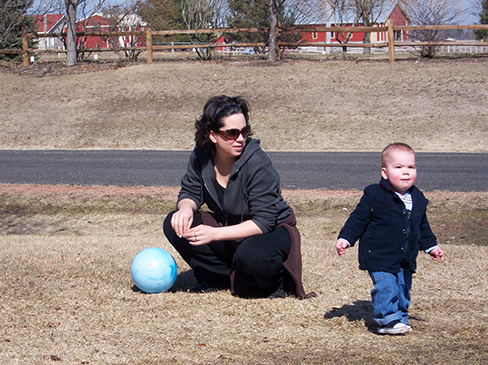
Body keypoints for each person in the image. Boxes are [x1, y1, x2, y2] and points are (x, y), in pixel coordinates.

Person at [163, 95, 314, 299]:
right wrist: (185, 209)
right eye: (232, 133)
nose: (241, 138)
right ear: (213, 135)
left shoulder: (258, 163)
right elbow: (190, 192)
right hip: (230, 226)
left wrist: (214, 234)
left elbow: (264, 221)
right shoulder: (202, 154)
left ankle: (274, 284)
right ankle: (220, 278)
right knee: (175, 224)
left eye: (244, 131)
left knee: (252, 254)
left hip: (271, 230)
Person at [335, 143, 444, 335]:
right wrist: (346, 238)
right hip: (379, 254)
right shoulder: (375, 195)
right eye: (399, 167)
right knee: (387, 286)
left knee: (403, 288)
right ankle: (386, 320)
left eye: (411, 167)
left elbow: (422, 226)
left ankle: (400, 317)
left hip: (405, 256)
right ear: (385, 173)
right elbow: (358, 219)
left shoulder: (417, 198)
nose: (406, 172)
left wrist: (431, 246)